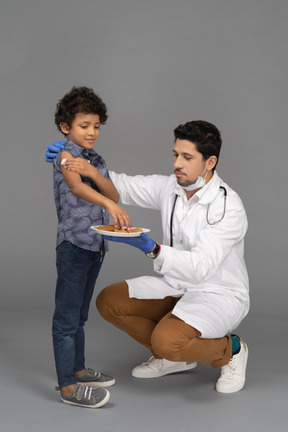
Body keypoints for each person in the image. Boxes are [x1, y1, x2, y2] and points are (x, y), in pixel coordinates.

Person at [46, 120, 249, 394]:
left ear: (210, 162)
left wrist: (152, 249)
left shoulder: (228, 206)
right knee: (110, 302)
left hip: (216, 293)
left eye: (187, 157)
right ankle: (177, 358)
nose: (178, 163)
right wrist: (77, 160)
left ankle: (231, 350)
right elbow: (121, 186)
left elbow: (202, 267)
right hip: (176, 285)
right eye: (176, 154)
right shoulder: (172, 187)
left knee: (168, 341)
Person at [49, 86, 132, 408]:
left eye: (96, 126)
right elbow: (77, 188)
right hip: (73, 246)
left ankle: (79, 369)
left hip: (95, 247)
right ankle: (67, 387)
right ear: (65, 127)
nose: (92, 132)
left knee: (80, 316)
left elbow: (114, 194)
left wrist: (94, 172)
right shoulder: (65, 155)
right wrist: (106, 203)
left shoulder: (95, 159)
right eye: (84, 125)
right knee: (66, 320)